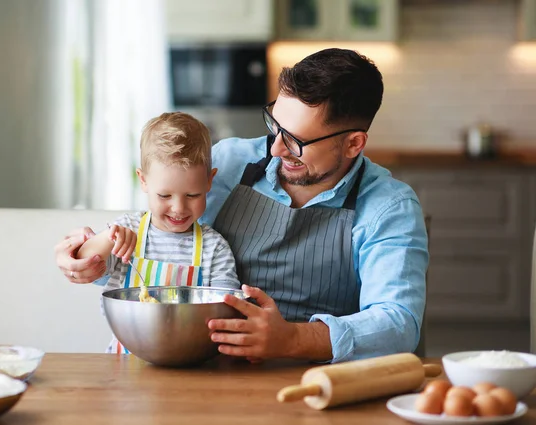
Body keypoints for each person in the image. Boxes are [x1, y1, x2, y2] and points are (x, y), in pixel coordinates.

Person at [55, 48, 428, 363]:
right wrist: (92, 258)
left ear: (353, 144)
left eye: (297, 141)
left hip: (310, 376)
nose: (277, 148)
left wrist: (293, 339)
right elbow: (169, 245)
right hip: (210, 366)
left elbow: (398, 324)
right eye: (275, 126)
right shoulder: (230, 162)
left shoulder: (388, 207)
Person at [73, 112, 240, 353]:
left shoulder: (214, 247)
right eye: (164, 195)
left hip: (192, 359)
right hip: (125, 364)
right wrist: (108, 237)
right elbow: (83, 261)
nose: (179, 208)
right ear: (143, 180)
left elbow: (227, 307)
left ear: (209, 181)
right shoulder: (126, 229)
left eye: (192, 195)